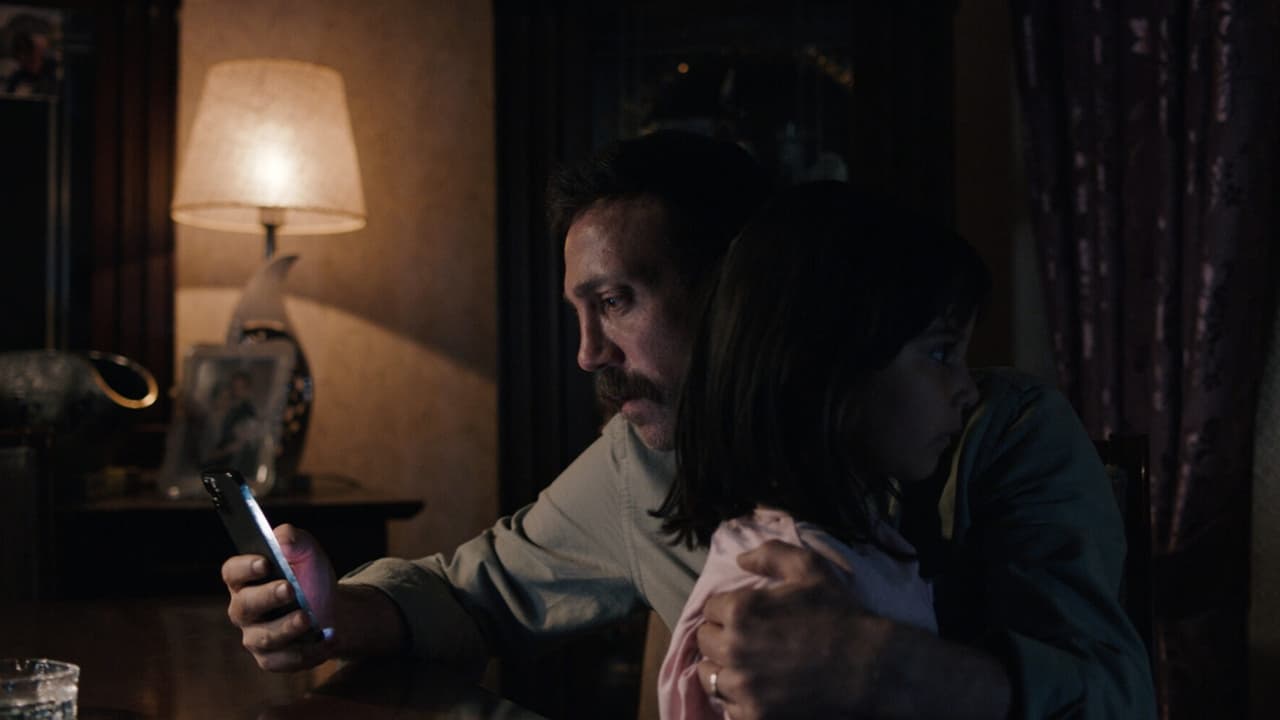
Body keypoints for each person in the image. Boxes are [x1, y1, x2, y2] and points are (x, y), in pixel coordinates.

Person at [222, 132, 1154, 718]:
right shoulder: (641, 462)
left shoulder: (1000, 434)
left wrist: (883, 668)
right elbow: (476, 591)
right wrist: (332, 615)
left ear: (739, 293)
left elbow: (1119, 697)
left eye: (615, 302)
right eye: (578, 313)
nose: (587, 353)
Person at [656, 181, 978, 719]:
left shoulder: (859, 543)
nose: (968, 389)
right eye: (942, 354)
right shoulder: (780, 588)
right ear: (827, 366)